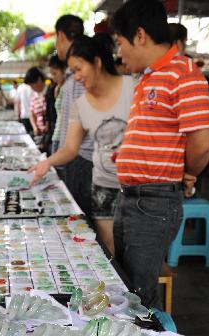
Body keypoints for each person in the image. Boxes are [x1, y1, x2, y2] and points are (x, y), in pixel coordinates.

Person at [111, 0, 209, 308]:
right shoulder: (148, 77)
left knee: (139, 296)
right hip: (131, 196)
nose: (119, 53)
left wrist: (187, 172)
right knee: (127, 285)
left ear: (140, 35)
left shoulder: (184, 73)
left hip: (154, 201)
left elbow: (202, 144)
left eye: (120, 43)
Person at [30, 36, 135, 254]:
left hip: (136, 187)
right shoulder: (81, 105)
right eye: (72, 72)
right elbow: (70, 148)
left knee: (133, 254)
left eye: (79, 69)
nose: (76, 78)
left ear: (97, 62)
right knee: (108, 249)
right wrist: (47, 162)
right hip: (103, 186)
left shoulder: (134, 89)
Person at [55, 14, 95, 215]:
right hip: (76, 159)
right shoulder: (75, 75)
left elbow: (82, 128)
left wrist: (53, 160)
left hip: (82, 161)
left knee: (85, 224)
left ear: (61, 36)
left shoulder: (79, 78)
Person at [47, 54, 66, 155]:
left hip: (63, 137)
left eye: (55, 73)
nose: (53, 77)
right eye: (52, 74)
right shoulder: (58, 88)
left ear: (64, 69)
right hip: (57, 134)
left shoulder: (67, 87)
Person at [24, 67, 47, 141]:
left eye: (32, 85)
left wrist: (47, 126)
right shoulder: (34, 96)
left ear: (39, 80)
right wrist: (35, 127)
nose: (31, 88)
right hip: (40, 134)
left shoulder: (50, 93)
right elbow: (32, 114)